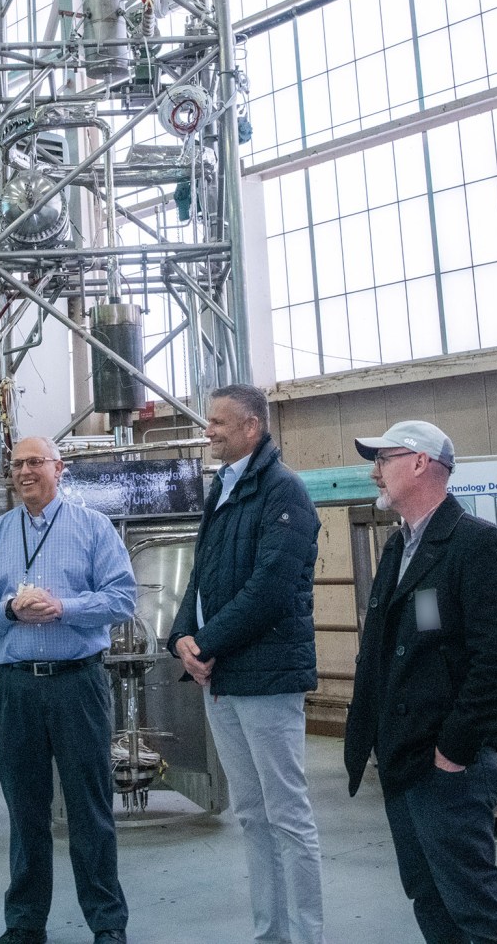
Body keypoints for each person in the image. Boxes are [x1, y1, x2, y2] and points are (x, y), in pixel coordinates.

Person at [344, 421, 497, 944]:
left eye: (385, 458)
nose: (375, 470)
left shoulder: (473, 543)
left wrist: (455, 747)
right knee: (429, 898)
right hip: (403, 758)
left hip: (447, 766)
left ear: (422, 462)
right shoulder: (400, 547)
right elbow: (394, 648)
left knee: (475, 907)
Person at [0, 435, 138, 944]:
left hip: (78, 683)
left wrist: (65, 608)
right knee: (25, 809)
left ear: (60, 468)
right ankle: (24, 923)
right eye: (16, 464)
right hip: (16, 688)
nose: (24, 472)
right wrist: (9, 610)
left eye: (35, 462)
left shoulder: (93, 528)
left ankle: (107, 923)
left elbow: (122, 598)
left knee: (90, 808)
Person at [167, 383, 324, 944]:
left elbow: (271, 590)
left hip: (267, 678)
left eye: (218, 422)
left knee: (287, 818)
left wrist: (205, 643)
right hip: (223, 678)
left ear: (251, 428)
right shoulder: (224, 488)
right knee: (253, 817)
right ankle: (271, 935)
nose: (208, 430)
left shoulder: (283, 492)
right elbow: (200, 576)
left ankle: (306, 937)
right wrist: (181, 637)